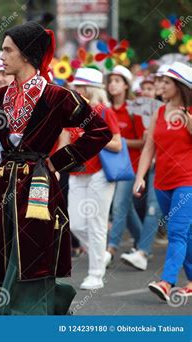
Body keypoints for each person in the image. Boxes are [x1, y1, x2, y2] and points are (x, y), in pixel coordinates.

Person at [0, 22, 112, 315]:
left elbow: (100, 131)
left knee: (34, 252)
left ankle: (31, 314)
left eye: (8, 50)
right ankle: (28, 309)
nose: (2, 57)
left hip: (38, 187)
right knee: (7, 250)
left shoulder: (58, 96)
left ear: (26, 54)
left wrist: (58, 161)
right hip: (4, 187)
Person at [133, 62, 192, 301]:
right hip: (161, 182)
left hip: (187, 180)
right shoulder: (158, 112)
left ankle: (167, 282)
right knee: (185, 234)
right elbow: (149, 148)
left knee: (177, 232)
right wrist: (140, 178)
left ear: (179, 86)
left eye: (166, 83)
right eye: (161, 82)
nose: (161, 86)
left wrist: (186, 117)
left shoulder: (190, 111)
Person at [65, 68, 122, 290]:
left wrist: (95, 138)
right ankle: (101, 255)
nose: (75, 90)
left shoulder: (105, 112)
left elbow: (117, 145)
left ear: (90, 88)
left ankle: (96, 274)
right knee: (76, 223)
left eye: (79, 86)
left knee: (96, 224)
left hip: (100, 173)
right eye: (75, 86)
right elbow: (65, 142)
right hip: (77, 171)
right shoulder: (71, 113)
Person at [105, 65, 145, 266]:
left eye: (117, 81)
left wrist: (120, 142)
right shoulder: (106, 109)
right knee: (126, 208)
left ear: (126, 85)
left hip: (132, 167)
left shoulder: (134, 110)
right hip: (110, 167)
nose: (112, 84)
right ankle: (143, 243)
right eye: (110, 80)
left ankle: (111, 249)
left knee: (119, 205)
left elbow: (143, 142)